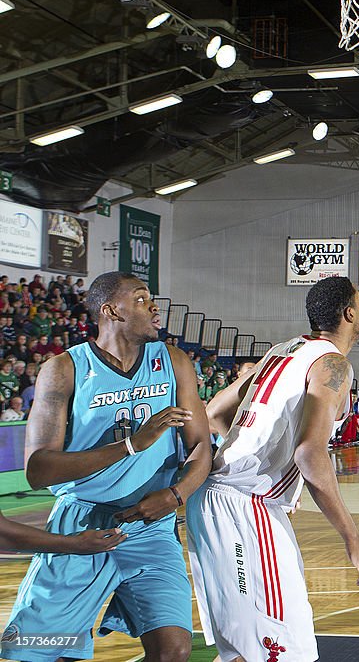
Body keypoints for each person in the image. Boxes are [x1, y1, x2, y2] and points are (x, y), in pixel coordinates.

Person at [3, 271, 212, 662]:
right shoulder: (64, 369)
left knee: (173, 651)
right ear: (111, 310)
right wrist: (132, 445)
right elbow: (38, 469)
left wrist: (175, 495)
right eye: (140, 299)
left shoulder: (173, 361)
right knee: (39, 654)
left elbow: (201, 445)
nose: (154, 307)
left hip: (151, 529)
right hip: (81, 527)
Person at [187, 276, 359, 662]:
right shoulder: (333, 364)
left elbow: (213, 414)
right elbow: (310, 455)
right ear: (348, 313)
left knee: (247, 651)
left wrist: (259, 459)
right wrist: (353, 539)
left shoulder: (281, 351)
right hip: (243, 508)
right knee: (286, 649)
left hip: (227, 503)